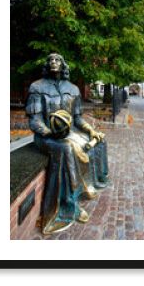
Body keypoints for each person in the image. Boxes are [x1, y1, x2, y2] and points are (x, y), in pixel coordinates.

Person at [26, 53, 109, 235]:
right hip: (46, 137)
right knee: (65, 148)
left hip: (67, 133)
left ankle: (91, 184)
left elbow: (78, 119)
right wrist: (49, 132)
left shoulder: (73, 89)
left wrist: (91, 131)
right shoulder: (37, 87)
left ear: (63, 65)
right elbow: (34, 121)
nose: (54, 62)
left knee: (99, 141)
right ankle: (67, 205)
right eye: (51, 60)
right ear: (47, 65)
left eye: (57, 60)